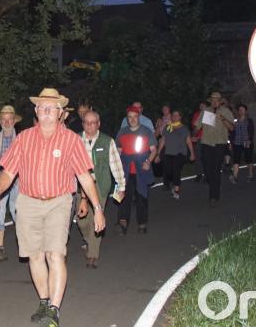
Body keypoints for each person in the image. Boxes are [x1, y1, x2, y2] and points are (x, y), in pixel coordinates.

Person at [0, 88, 105, 327]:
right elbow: (8, 171)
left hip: (59, 202)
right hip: (28, 202)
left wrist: (98, 207)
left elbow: (84, 176)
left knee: (55, 254)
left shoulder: (71, 140)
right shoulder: (24, 138)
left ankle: (54, 308)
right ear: (36, 111)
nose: (47, 112)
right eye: (43, 108)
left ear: (61, 113)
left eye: (52, 108)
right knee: (34, 255)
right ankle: (43, 300)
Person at [77, 110, 125, 267]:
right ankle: (88, 239)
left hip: (100, 185)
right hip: (79, 185)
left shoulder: (107, 141)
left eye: (93, 123)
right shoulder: (75, 140)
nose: (90, 126)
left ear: (99, 124)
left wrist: (121, 186)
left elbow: (116, 165)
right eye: (86, 123)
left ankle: (93, 254)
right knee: (82, 220)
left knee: (97, 217)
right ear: (83, 124)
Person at [0, 105, 22, 262]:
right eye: (4, 119)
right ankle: (0, 247)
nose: (7, 122)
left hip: (18, 183)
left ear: (14, 121)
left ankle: (24, 245)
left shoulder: (23, 138)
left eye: (10, 119)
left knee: (19, 213)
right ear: (0, 121)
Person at [115, 104, 157, 234]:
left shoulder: (146, 131)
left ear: (139, 117)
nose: (132, 119)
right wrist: (117, 166)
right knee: (123, 197)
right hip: (125, 171)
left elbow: (153, 149)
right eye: (129, 117)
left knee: (141, 197)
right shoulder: (122, 132)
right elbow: (118, 150)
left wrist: (149, 161)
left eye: (134, 117)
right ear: (127, 118)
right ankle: (122, 222)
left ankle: (142, 223)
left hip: (140, 170)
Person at [193, 92, 234, 206]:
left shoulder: (226, 111)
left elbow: (231, 127)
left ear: (220, 101)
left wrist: (223, 119)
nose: (215, 101)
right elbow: (197, 126)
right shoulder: (205, 111)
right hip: (206, 143)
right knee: (207, 170)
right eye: (213, 100)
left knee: (215, 169)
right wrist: (193, 135)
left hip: (219, 144)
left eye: (217, 100)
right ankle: (215, 185)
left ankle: (214, 196)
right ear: (210, 101)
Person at [155, 110, 195, 199]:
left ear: (180, 117)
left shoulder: (184, 128)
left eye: (177, 116)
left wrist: (192, 153)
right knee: (168, 172)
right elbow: (162, 141)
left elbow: (188, 141)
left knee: (176, 169)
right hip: (168, 153)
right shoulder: (168, 127)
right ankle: (174, 184)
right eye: (173, 115)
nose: (174, 117)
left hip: (180, 153)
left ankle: (176, 189)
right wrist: (158, 154)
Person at [230, 104, 255, 183]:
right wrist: (231, 142)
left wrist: (250, 140)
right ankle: (235, 177)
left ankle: (251, 174)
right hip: (237, 142)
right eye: (239, 109)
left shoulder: (249, 120)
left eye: (242, 109)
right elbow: (232, 131)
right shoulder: (235, 120)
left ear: (246, 111)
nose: (240, 111)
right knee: (236, 159)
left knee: (248, 159)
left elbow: (251, 131)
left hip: (246, 142)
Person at [190, 101, 207, 182]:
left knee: (206, 158)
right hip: (198, 139)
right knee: (198, 157)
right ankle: (199, 175)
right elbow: (194, 126)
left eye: (203, 105)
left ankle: (207, 175)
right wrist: (193, 136)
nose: (202, 107)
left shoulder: (209, 114)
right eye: (200, 106)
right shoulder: (196, 114)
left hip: (207, 139)